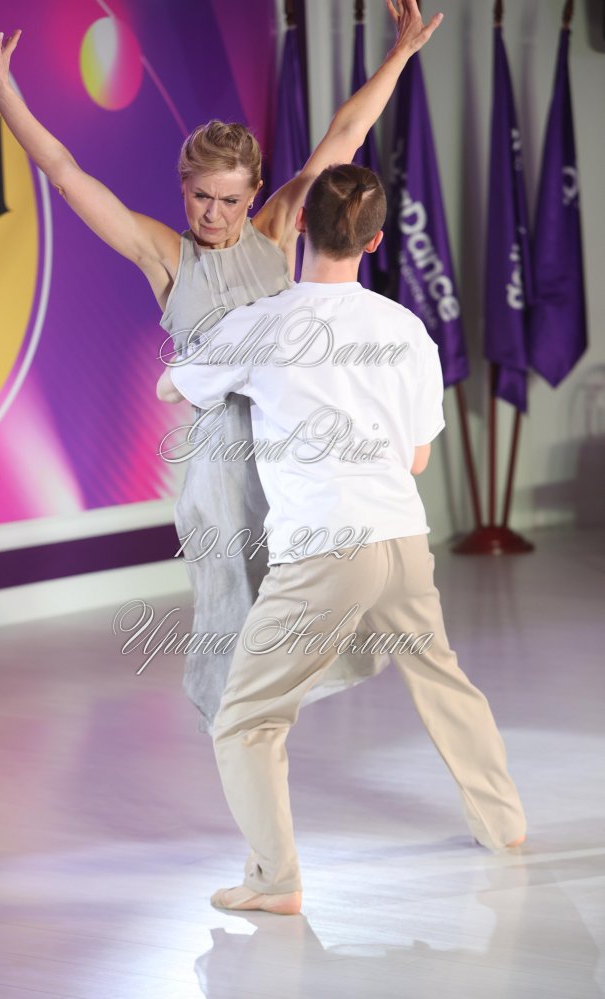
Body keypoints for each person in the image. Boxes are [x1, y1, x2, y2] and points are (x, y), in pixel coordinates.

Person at [0, 2, 443, 733]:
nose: (214, 213)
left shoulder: (277, 229)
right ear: (183, 188)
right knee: (235, 618)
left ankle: (264, 726)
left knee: (322, 600)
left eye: (230, 199)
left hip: (290, 452)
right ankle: (241, 738)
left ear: (254, 194)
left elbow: (346, 135)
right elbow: (68, 176)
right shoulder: (165, 255)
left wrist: (399, 55)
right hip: (221, 470)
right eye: (201, 196)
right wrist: (7, 97)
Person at [158, 163, 527, 915]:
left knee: (246, 718)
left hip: (324, 551)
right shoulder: (405, 329)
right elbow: (417, 458)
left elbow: (173, 386)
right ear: (375, 241)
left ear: (300, 227)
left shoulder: (263, 323)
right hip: (402, 540)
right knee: (442, 678)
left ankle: (274, 881)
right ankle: (504, 824)